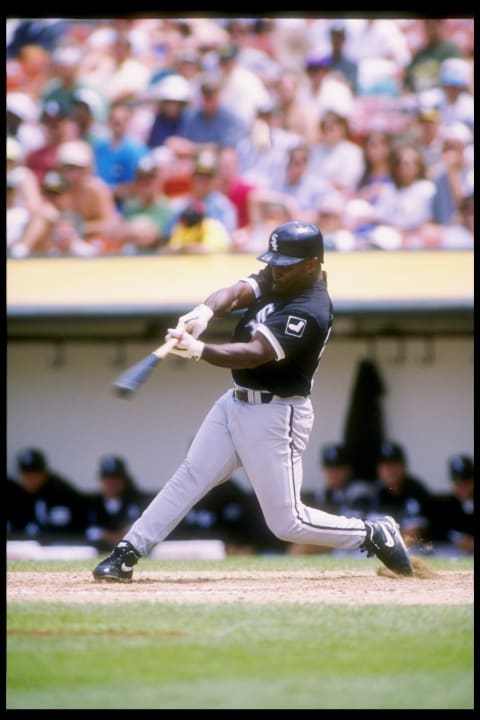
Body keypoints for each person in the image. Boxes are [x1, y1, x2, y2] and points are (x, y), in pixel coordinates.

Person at [92, 220, 413, 582]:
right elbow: (236, 292)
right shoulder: (281, 276)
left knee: (288, 523)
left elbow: (254, 352)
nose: (275, 269)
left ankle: (373, 533)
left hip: (277, 414)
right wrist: (204, 313)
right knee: (190, 476)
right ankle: (127, 552)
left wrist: (200, 349)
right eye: (273, 261)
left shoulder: (311, 308)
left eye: (285, 264)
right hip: (234, 403)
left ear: (312, 265)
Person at [288, 443, 374, 555]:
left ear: (348, 469)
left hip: (359, 548)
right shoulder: (324, 493)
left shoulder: (359, 491)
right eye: (329, 468)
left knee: (302, 549)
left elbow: (352, 532)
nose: (333, 473)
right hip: (336, 548)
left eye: (338, 468)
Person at [9, 447, 87, 542]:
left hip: (67, 543)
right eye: (26, 474)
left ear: (44, 473)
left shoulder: (60, 491)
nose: (30, 479)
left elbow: (67, 530)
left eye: (34, 473)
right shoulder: (19, 493)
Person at [368, 441, 436, 549]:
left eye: (394, 464)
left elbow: (414, 535)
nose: (390, 470)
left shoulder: (416, 490)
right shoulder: (375, 493)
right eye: (385, 465)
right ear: (378, 469)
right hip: (385, 549)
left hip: (420, 549)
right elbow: (372, 532)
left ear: (404, 466)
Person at [84, 455, 154, 553]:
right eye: (107, 479)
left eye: (116, 478)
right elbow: (93, 533)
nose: (112, 483)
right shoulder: (94, 504)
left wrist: (111, 536)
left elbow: (135, 533)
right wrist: (114, 537)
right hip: (101, 552)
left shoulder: (135, 501)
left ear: (123, 481)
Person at [430, 454, 474, 555]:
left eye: (466, 482)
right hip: (451, 555)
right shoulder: (445, 506)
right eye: (458, 483)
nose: (462, 487)